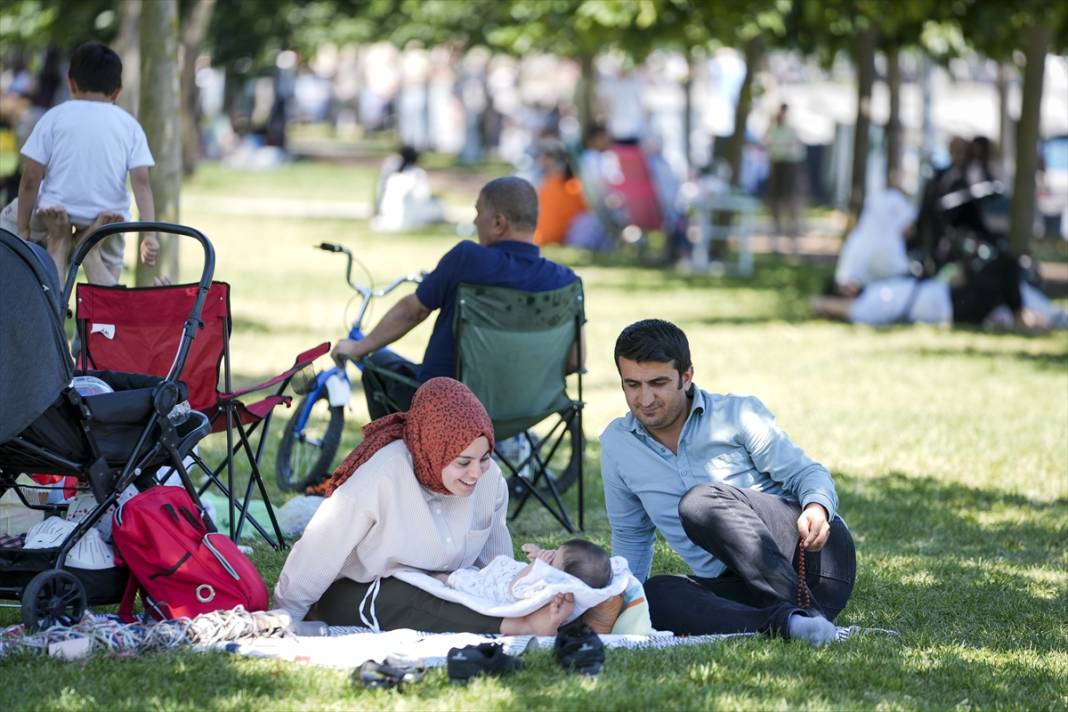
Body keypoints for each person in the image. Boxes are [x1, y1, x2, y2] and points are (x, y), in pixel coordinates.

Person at [599, 319, 854, 644]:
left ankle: (806, 614)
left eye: (658, 383)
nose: (645, 398)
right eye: (632, 385)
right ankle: (790, 624)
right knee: (655, 595)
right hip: (741, 585)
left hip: (812, 561)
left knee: (699, 503)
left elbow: (807, 473)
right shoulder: (618, 445)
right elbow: (631, 537)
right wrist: (621, 609)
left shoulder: (738, 414)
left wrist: (817, 507)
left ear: (686, 376)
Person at [273, 377, 575, 635]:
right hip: (359, 590)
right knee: (412, 597)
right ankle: (519, 626)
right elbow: (321, 549)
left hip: (444, 588)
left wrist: (519, 588)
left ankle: (531, 615)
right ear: (432, 450)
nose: (476, 473)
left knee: (451, 591)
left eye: (483, 458)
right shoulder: (383, 474)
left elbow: (494, 562)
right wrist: (285, 616)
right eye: (463, 462)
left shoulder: (489, 478)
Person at [331, 176, 580, 417]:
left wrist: (360, 347)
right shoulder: (566, 281)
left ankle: (407, 456)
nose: (474, 221)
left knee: (379, 361)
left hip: (447, 407)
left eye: (478, 211)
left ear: (498, 223)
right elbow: (574, 361)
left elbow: (412, 311)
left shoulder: (467, 259)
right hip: (526, 410)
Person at [0, 42, 158, 285]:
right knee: (111, 258)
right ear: (117, 91)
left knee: (6, 229)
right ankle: (101, 304)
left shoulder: (54, 117)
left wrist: (22, 228)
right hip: (108, 216)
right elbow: (142, 182)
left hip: (54, 210)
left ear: (70, 82)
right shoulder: (130, 126)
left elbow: (31, 178)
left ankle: (57, 261)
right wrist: (150, 235)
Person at [442, 539, 623, 633]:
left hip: (497, 586)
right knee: (473, 569)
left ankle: (439, 577)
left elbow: (515, 588)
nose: (551, 554)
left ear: (560, 575)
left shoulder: (549, 586)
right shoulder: (562, 579)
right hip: (506, 575)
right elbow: (556, 566)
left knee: (460, 578)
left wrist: (536, 567)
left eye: (554, 558)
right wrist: (541, 559)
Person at [763, 103, 805, 246]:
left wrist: (780, 146)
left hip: (790, 166)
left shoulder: (792, 128)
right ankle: (776, 229)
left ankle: (792, 232)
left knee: (791, 199)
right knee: (775, 199)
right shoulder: (773, 127)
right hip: (777, 164)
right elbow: (767, 141)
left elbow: (793, 146)